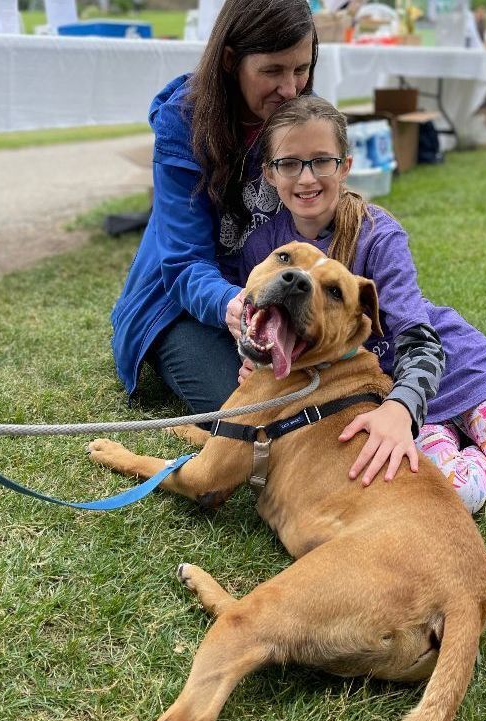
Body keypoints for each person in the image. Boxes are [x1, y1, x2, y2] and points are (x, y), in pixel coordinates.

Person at [234, 95, 486, 519]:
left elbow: (421, 342)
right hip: (397, 398)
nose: (306, 177)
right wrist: (258, 351)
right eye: (289, 163)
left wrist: (400, 410)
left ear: (345, 165)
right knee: (449, 497)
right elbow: (262, 317)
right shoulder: (266, 248)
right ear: (269, 173)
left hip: (450, 375)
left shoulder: (378, 235)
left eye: (321, 160)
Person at [111, 0, 318, 416]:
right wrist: (240, 309)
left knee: (316, 393)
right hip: (179, 303)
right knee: (253, 414)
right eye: (273, 71)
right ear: (230, 60)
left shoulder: (300, 111)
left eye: (301, 68)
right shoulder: (183, 122)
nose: (291, 89)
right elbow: (184, 262)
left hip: (271, 293)